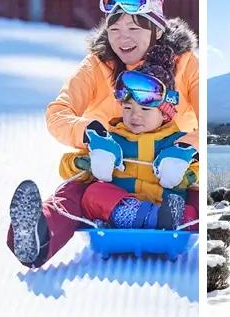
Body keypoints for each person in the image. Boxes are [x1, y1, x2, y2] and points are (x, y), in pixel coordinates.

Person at [7, 0, 199, 268]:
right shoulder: (99, 66)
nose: (123, 38)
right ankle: (37, 237)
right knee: (75, 192)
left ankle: (178, 224)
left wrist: (187, 148)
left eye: (135, 28)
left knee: (196, 199)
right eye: (116, 28)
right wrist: (92, 135)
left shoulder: (184, 65)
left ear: (157, 30)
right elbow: (57, 113)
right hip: (112, 172)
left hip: (171, 176)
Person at [59, 43, 198, 234]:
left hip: (166, 206)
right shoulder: (112, 139)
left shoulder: (179, 143)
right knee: (93, 193)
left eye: (146, 109)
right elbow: (66, 167)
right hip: (121, 206)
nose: (135, 116)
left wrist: (188, 177)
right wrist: (82, 163)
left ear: (165, 113)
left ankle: (165, 218)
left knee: (192, 209)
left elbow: (197, 166)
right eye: (127, 108)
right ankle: (135, 216)